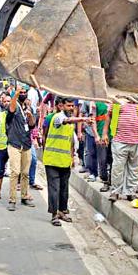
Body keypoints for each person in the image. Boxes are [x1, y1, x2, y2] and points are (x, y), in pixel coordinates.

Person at [45, 97, 94, 226]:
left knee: (64, 188)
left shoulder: (71, 122)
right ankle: (54, 214)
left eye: (73, 106)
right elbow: (66, 121)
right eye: (69, 106)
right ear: (61, 106)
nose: (72, 108)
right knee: (54, 188)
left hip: (65, 160)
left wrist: (72, 157)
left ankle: (62, 211)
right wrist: (83, 119)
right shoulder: (58, 118)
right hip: (52, 159)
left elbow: (71, 141)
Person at [6, 86, 37, 211]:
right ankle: (12, 200)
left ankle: (24, 197)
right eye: (21, 93)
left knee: (25, 173)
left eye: (25, 92)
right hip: (14, 143)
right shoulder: (14, 106)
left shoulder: (28, 107)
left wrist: (30, 116)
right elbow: (12, 108)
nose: (23, 94)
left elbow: (31, 125)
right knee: (15, 172)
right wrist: (16, 93)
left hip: (26, 143)